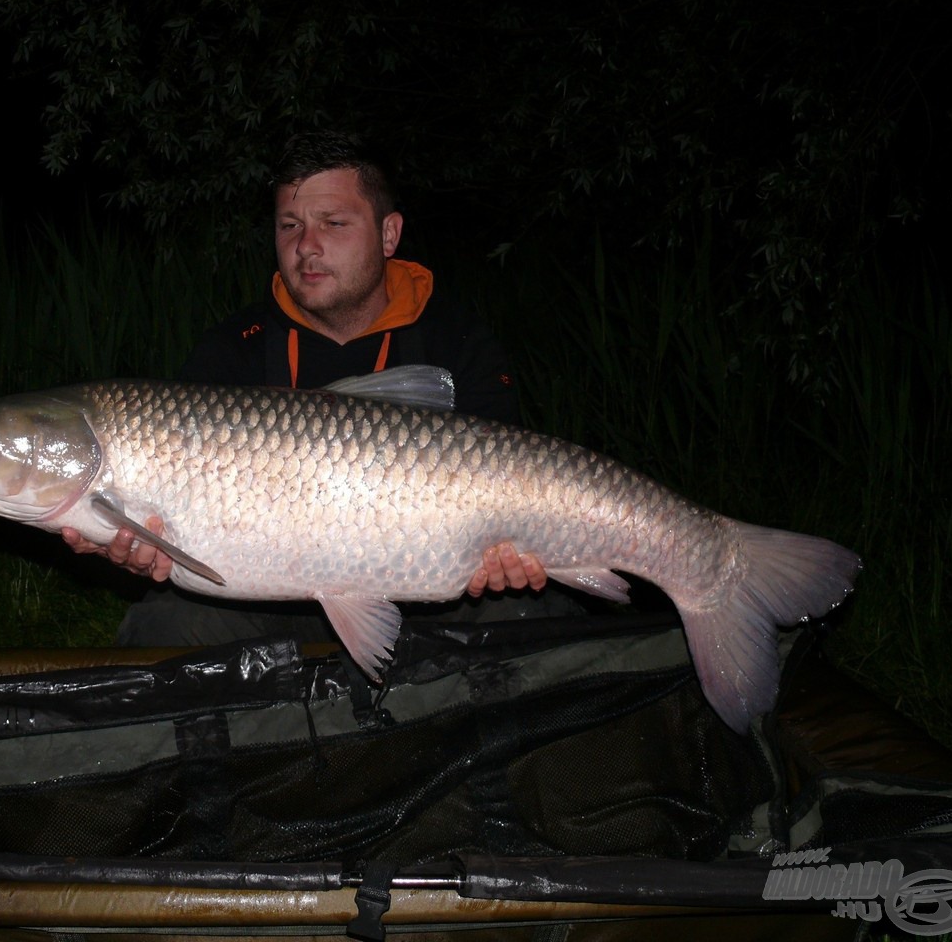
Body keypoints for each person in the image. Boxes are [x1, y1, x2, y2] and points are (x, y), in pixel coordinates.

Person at [63, 130, 573, 645]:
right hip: (269, 595)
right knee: (163, 629)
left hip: (434, 579)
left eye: (333, 223)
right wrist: (128, 553)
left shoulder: (457, 341)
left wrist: (509, 559)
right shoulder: (231, 350)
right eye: (290, 225)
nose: (306, 245)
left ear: (389, 234)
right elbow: (164, 528)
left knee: (548, 619)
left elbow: (513, 487)